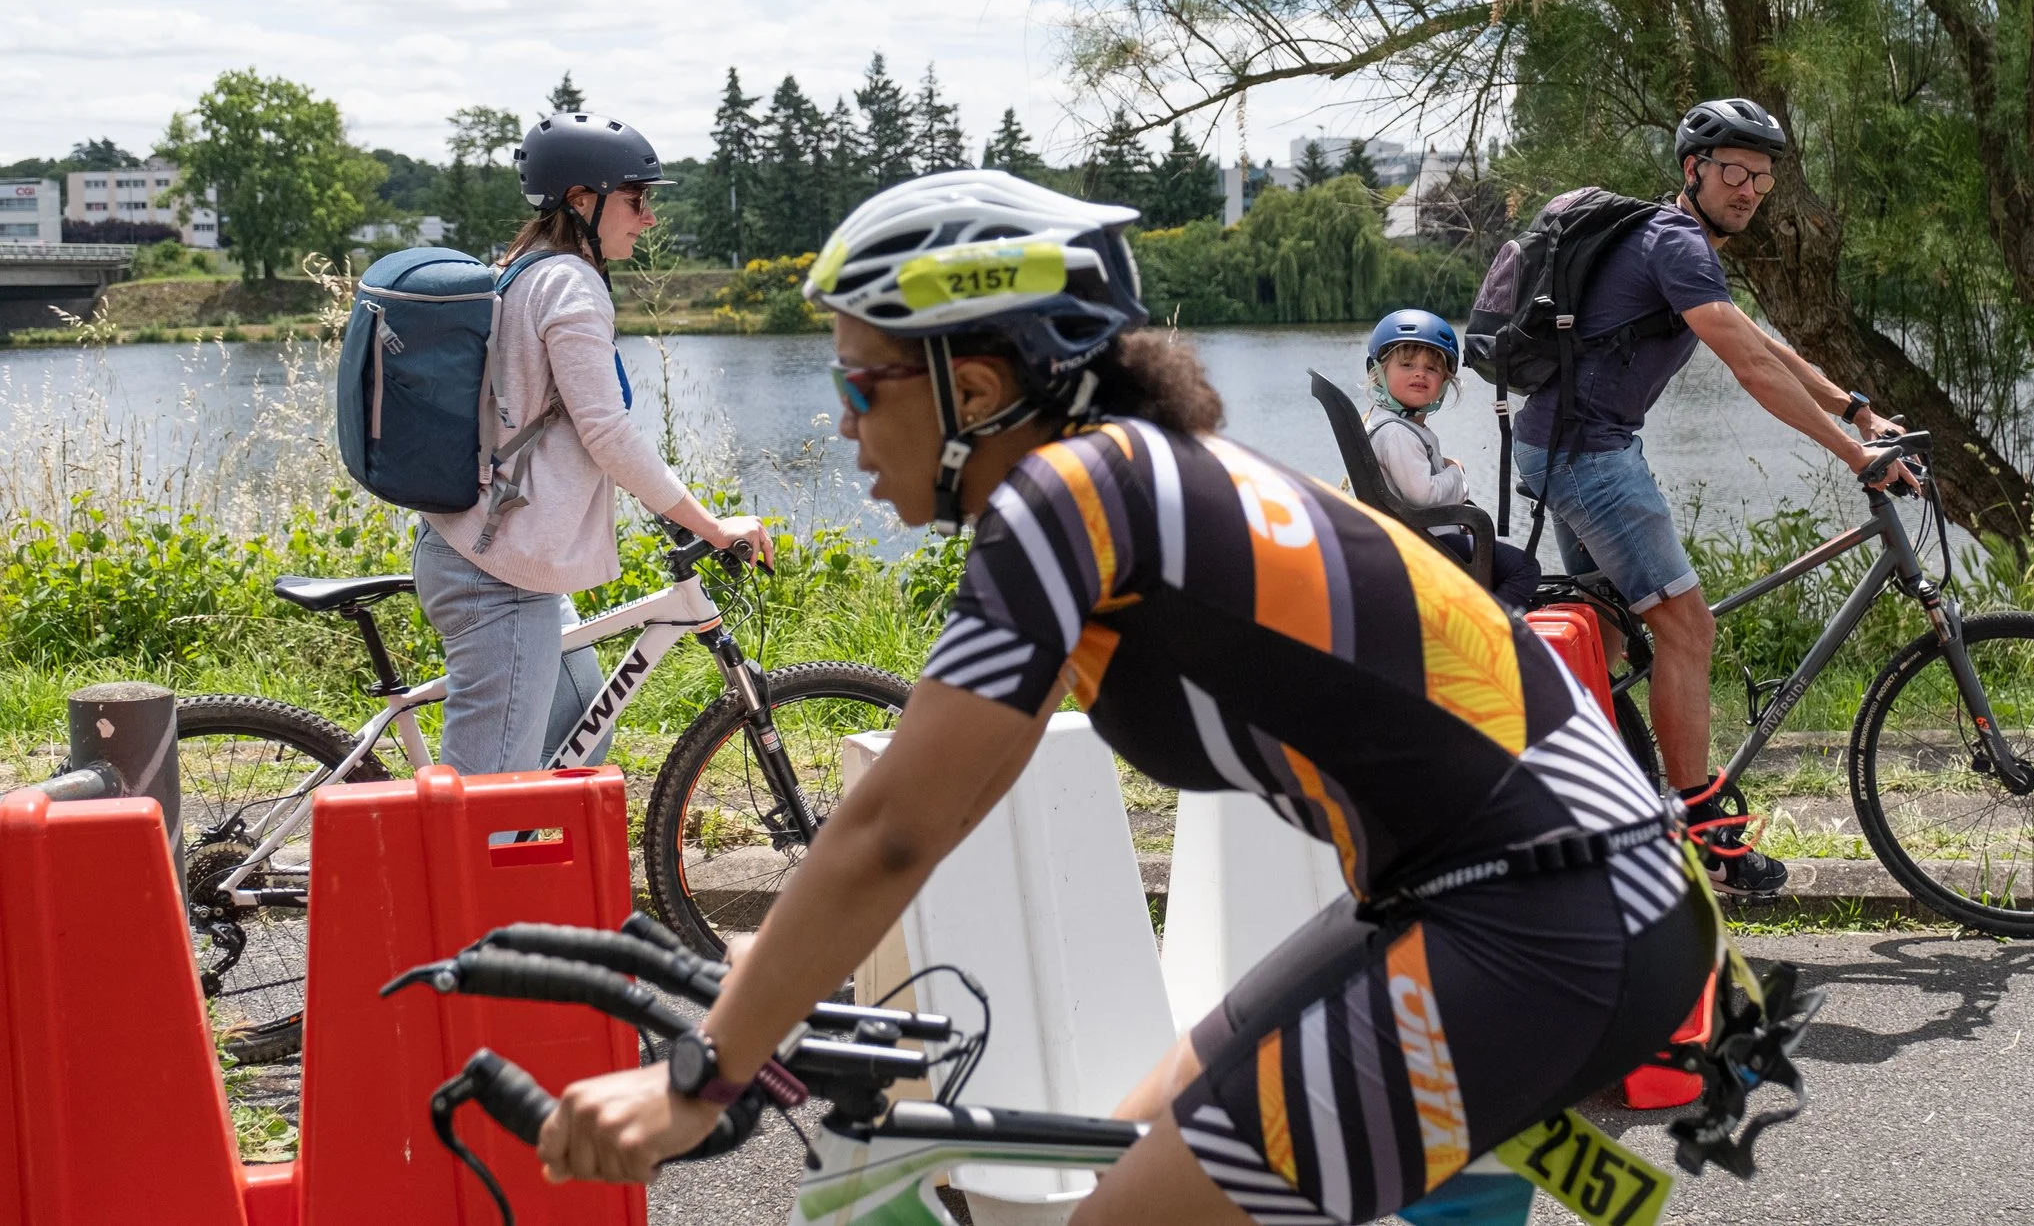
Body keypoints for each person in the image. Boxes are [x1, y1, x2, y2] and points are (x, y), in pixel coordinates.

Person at [532, 171, 1714, 1226]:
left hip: (1544, 917)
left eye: (858, 378)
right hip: (1508, 892)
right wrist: (769, 981)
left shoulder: (1074, 489)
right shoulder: (1134, 485)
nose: (841, 421)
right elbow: (949, 797)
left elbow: (894, 830)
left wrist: (702, 1071)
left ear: (978, 383)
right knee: (1132, 1145)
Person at [1512, 98, 1906, 899]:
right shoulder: (1675, 240)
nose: (1751, 189)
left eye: (1763, 177)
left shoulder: (1675, 243)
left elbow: (1762, 344)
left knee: (1613, 638)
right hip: (1588, 457)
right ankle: (1707, 835)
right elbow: (1752, 373)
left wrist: (1853, 408)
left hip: (1572, 445)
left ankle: (1600, 805)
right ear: (1692, 170)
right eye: (1734, 170)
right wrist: (1858, 456)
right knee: (1686, 629)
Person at [413, 112, 767, 777]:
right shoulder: (570, 283)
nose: (649, 218)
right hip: (501, 576)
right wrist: (711, 526)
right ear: (583, 199)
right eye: (637, 200)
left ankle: (530, 870)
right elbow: (607, 432)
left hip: (506, 558)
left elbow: (569, 425)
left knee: (582, 732)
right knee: (481, 802)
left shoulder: (523, 268)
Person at [1363, 308, 1541, 609]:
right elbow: (1422, 495)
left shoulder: (1394, 426)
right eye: (1407, 364)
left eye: (1432, 369)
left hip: (1419, 540)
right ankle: (1494, 636)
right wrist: (1457, 473)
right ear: (1378, 372)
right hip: (1429, 545)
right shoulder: (1396, 433)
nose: (1420, 373)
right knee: (1523, 568)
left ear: (1445, 381)